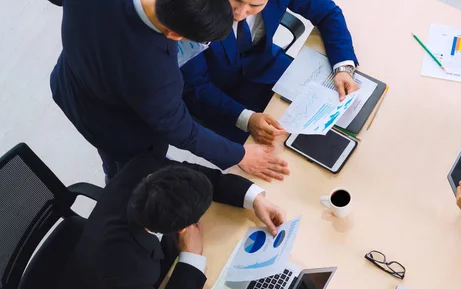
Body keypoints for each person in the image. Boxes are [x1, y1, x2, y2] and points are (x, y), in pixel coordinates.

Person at [46, 154, 286, 289]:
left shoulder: (147, 167)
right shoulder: (125, 268)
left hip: (102, 247)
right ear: (181, 229)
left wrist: (254, 198)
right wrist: (192, 256)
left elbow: (195, 173)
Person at [50, 0, 289, 182]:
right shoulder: (156, 74)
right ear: (174, 35)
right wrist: (240, 156)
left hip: (73, 68)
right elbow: (181, 130)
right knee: (128, 176)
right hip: (112, 121)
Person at [179, 0, 359, 148]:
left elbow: (327, 12)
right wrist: (246, 119)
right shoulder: (191, 11)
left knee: (339, 122)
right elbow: (195, 85)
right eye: (236, 2)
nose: (240, 14)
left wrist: (343, 67)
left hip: (267, 67)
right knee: (280, 152)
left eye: (253, 6)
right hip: (219, 98)